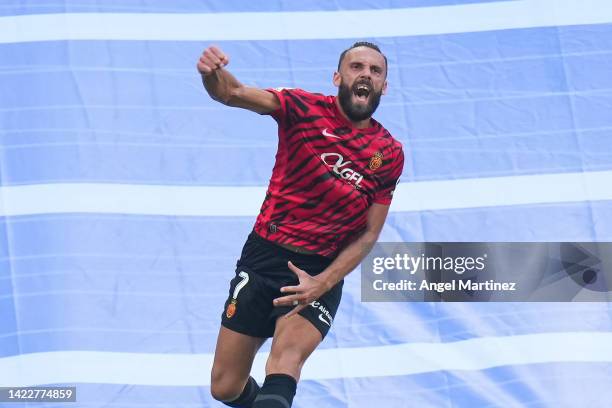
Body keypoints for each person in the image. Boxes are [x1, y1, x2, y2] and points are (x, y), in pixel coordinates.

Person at [197, 41, 404, 407]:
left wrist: (321, 283)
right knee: (224, 386)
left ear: (384, 86)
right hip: (264, 254)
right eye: (357, 67)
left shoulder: (388, 154)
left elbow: (370, 233)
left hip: (317, 269)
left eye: (376, 71)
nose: (366, 75)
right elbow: (231, 92)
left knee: (285, 361)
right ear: (338, 77)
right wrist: (213, 73)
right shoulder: (301, 108)